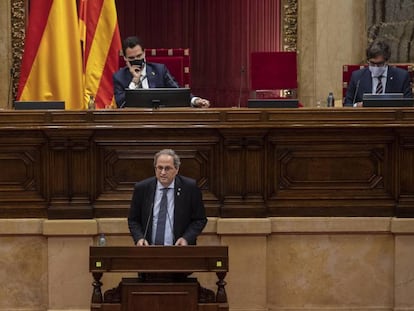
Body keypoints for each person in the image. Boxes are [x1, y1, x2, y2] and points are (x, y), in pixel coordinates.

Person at [128, 149, 207, 246]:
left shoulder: (189, 188)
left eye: (167, 168)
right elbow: (133, 220)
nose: (163, 172)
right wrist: (139, 238)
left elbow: (199, 219)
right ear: (155, 169)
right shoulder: (142, 188)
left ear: (176, 169)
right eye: (159, 168)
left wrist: (186, 239)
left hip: (179, 250)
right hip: (148, 250)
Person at [113, 36, 210, 108]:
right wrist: (134, 81)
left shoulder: (159, 70)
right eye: (132, 58)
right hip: (134, 123)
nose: (136, 60)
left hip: (161, 119)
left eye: (139, 56)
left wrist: (195, 100)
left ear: (144, 53)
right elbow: (121, 105)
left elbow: (177, 92)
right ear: (125, 58)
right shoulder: (119, 77)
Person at [344, 40, 412, 107]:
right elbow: (347, 104)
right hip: (365, 116)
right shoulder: (357, 77)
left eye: (379, 64)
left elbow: (409, 105)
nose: (376, 67)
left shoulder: (401, 77)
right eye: (372, 63)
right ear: (368, 60)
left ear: (387, 61)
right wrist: (356, 106)